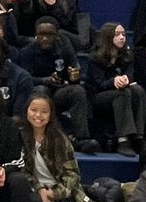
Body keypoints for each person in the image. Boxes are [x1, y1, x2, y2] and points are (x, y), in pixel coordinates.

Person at [18, 94, 98, 202]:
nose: (38, 115)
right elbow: (21, 169)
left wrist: (54, 193)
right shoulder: (19, 136)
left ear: (51, 115)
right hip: (33, 187)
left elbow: (72, 174)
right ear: (27, 111)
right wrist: (40, 189)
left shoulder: (60, 139)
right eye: (34, 110)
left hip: (59, 187)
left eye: (44, 112)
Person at [14, 17, 94, 151]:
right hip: (37, 93)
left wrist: (74, 75)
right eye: (41, 35)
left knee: (77, 90)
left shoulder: (64, 47)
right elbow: (24, 79)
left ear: (56, 35)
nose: (45, 38)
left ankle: (81, 138)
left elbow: (75, 71)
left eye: (49, 35)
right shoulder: (27, 51)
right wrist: (44, 80)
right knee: (41, 90)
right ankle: (41, 137)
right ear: (36, 35)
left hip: (59, 92)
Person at [87, 22, 146, 156]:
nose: (122, 37)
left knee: (138, 90)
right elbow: (99, 84)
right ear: (108, 37)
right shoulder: (95, 57)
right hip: (99, 97)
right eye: (117, 34)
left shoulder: (128, 55)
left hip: (121, 91)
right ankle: (123, 140)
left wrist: (126, 79)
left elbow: (130, 74)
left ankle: (139, 137)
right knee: (122, 94)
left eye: (123, 34)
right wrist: (114, 81)